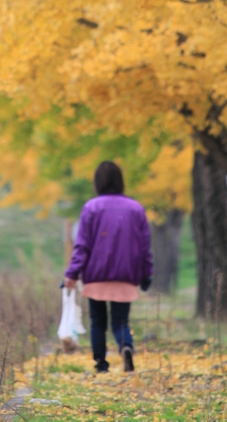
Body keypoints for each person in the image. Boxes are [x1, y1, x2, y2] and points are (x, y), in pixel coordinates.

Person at [64, 160, 153, 374]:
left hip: (97, 276)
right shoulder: (135, 208)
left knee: (98, 321)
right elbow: (144, 246)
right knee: (121, 320)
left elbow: (82, 245)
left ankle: (101, 364)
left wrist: (72, 273)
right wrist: (146, 273)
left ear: (97, 182)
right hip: (125, 276)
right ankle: (126, 347)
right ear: (120, 181)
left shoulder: (91, 208)